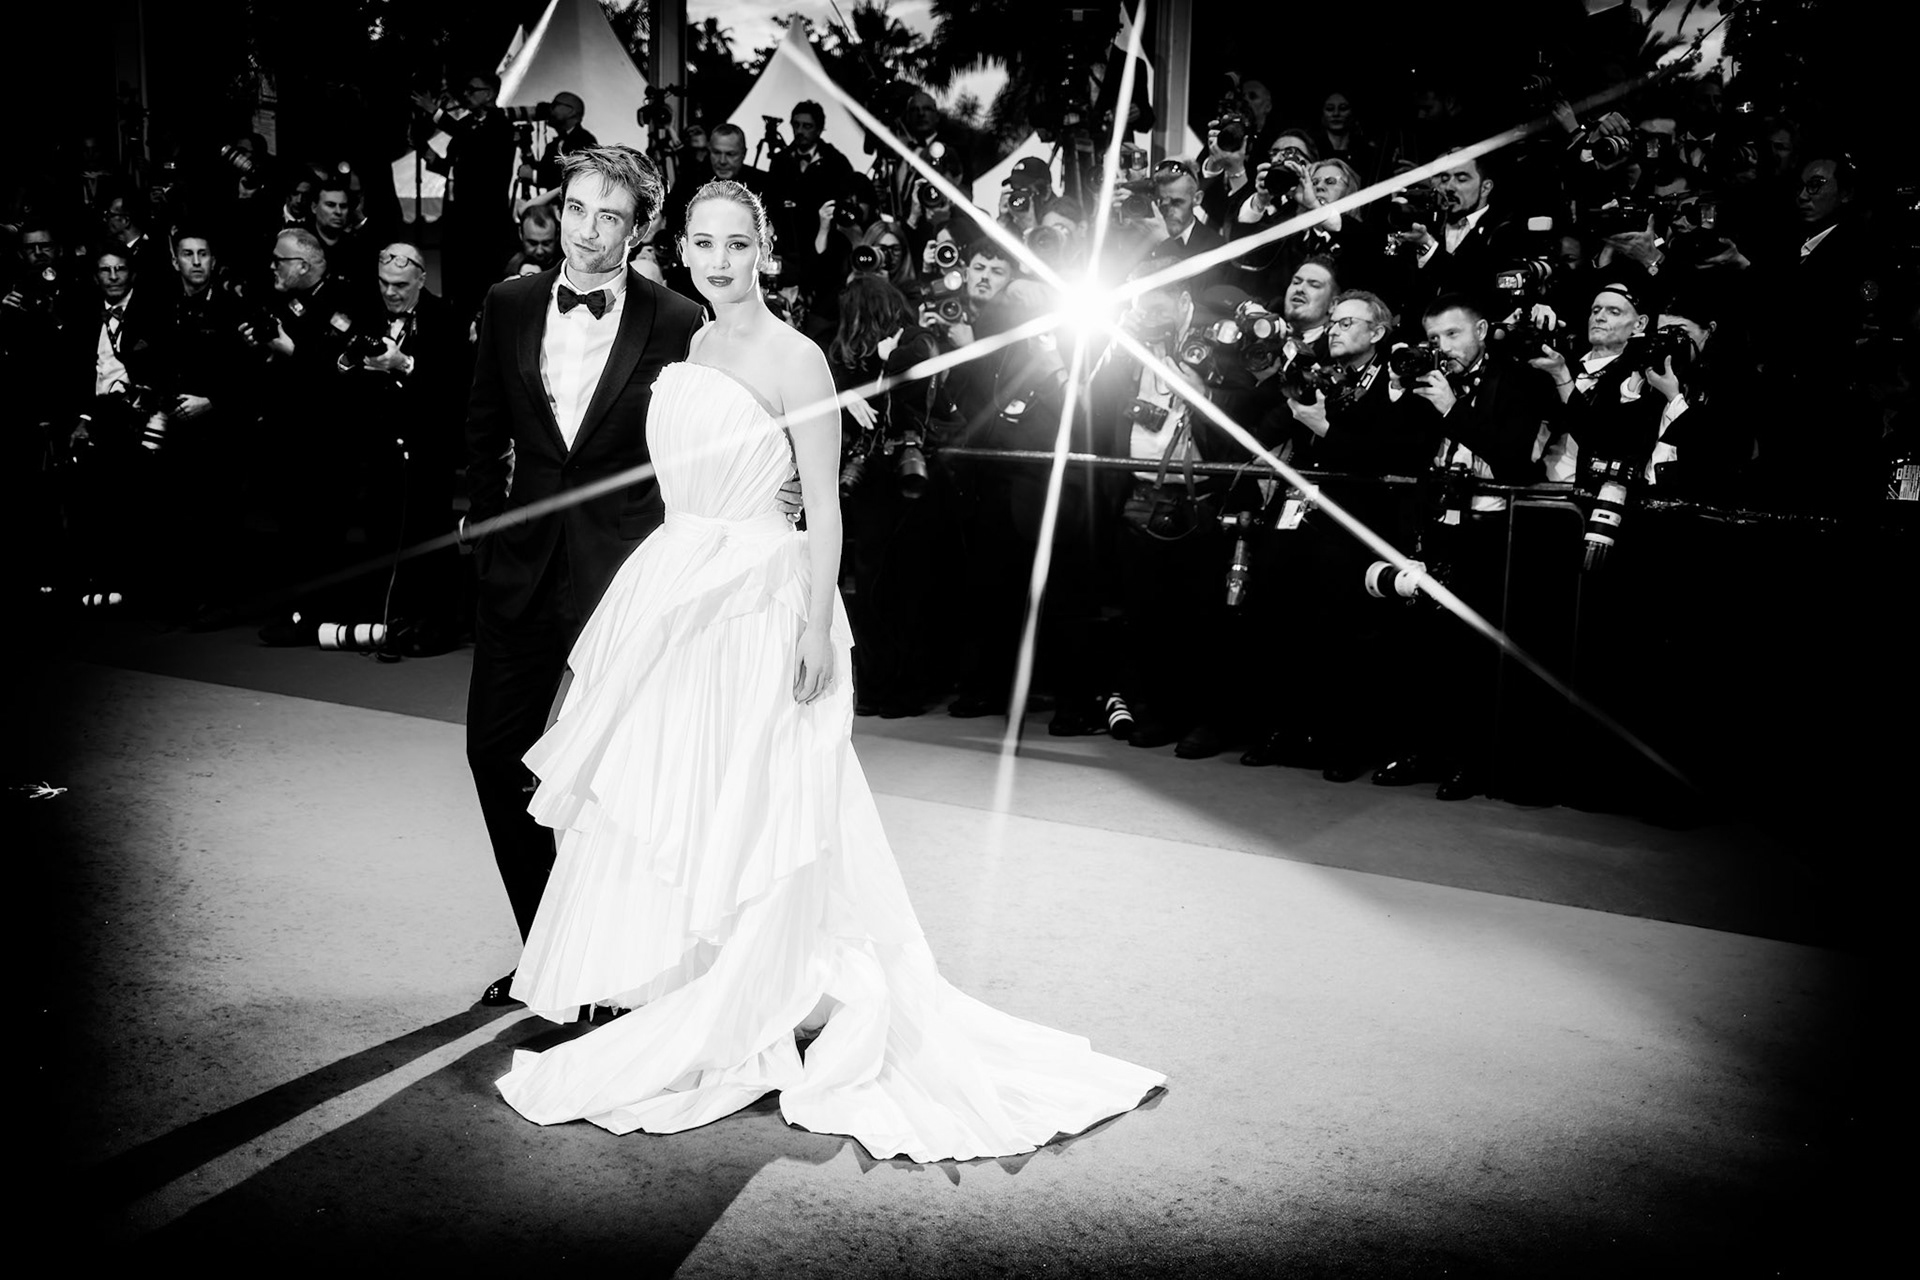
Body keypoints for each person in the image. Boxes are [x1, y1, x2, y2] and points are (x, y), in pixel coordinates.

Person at [493, 178, 1165, 1160]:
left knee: (762, 803)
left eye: (738, 244)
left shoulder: (794, 355)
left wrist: (815, 623)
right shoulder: (687, 342)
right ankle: (688, 986)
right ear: (680, 249)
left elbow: (827, 505)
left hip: (763, 600)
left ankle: (744, 1001)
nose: (720, 260)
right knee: (688, 792)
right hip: (678, 586)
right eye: (703, 244)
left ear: (765, 246)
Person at [462, 146, 708, 995]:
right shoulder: (509, 302)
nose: (588, 232)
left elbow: (699, 440)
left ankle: (620, 966)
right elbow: (481, 424)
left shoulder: (678, 319)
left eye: (610, 216)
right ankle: (548, 951)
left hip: (628, 571)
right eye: (576, 209)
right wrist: (479, 524)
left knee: (620, 780)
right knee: (496, 754)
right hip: (521, 567)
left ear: (639, 229)